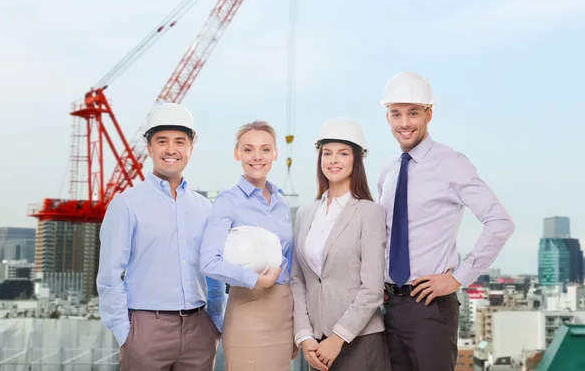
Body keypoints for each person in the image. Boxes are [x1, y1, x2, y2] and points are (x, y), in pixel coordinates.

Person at [377, 71, 515, 371]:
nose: (404, 123)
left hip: (429, 307)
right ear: (387, 117)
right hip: (389, 305)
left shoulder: (451, 164)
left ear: (429, 113)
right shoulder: (387, 173)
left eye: (413, 113)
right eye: (396, 114)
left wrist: (458, 278)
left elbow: (500, 222)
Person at [97, 103, 226, 371]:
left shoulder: (205, 208)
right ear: (150, 148)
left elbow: (214, 274)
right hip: (145, 331)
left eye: (180, 141)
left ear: (191, 148)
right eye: (162, 141)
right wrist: (126, 335)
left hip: (200, 331)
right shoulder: (126, 204)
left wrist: (215, 319)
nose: (171, 149)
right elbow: (109, 276)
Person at [290, 117, 390, 371]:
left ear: (356, 160)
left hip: (359, 342)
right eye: (327, 153)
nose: (333, 160)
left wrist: (338, 337)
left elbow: (372, 288)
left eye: (343, 153)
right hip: (317, 345)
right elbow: (298, 279)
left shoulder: (370, 213)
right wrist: (303, 335)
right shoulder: (305, 213)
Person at [200, 120, 296, 371]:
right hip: (248, 308)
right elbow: (209, 261)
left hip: (284, 312)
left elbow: (290, 261)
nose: (257, 157)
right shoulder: (227, 201)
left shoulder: (282, 203)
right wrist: (254, 280)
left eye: (265, 149)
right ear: (237, 154)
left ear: (275, 153)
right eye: (248, 149)